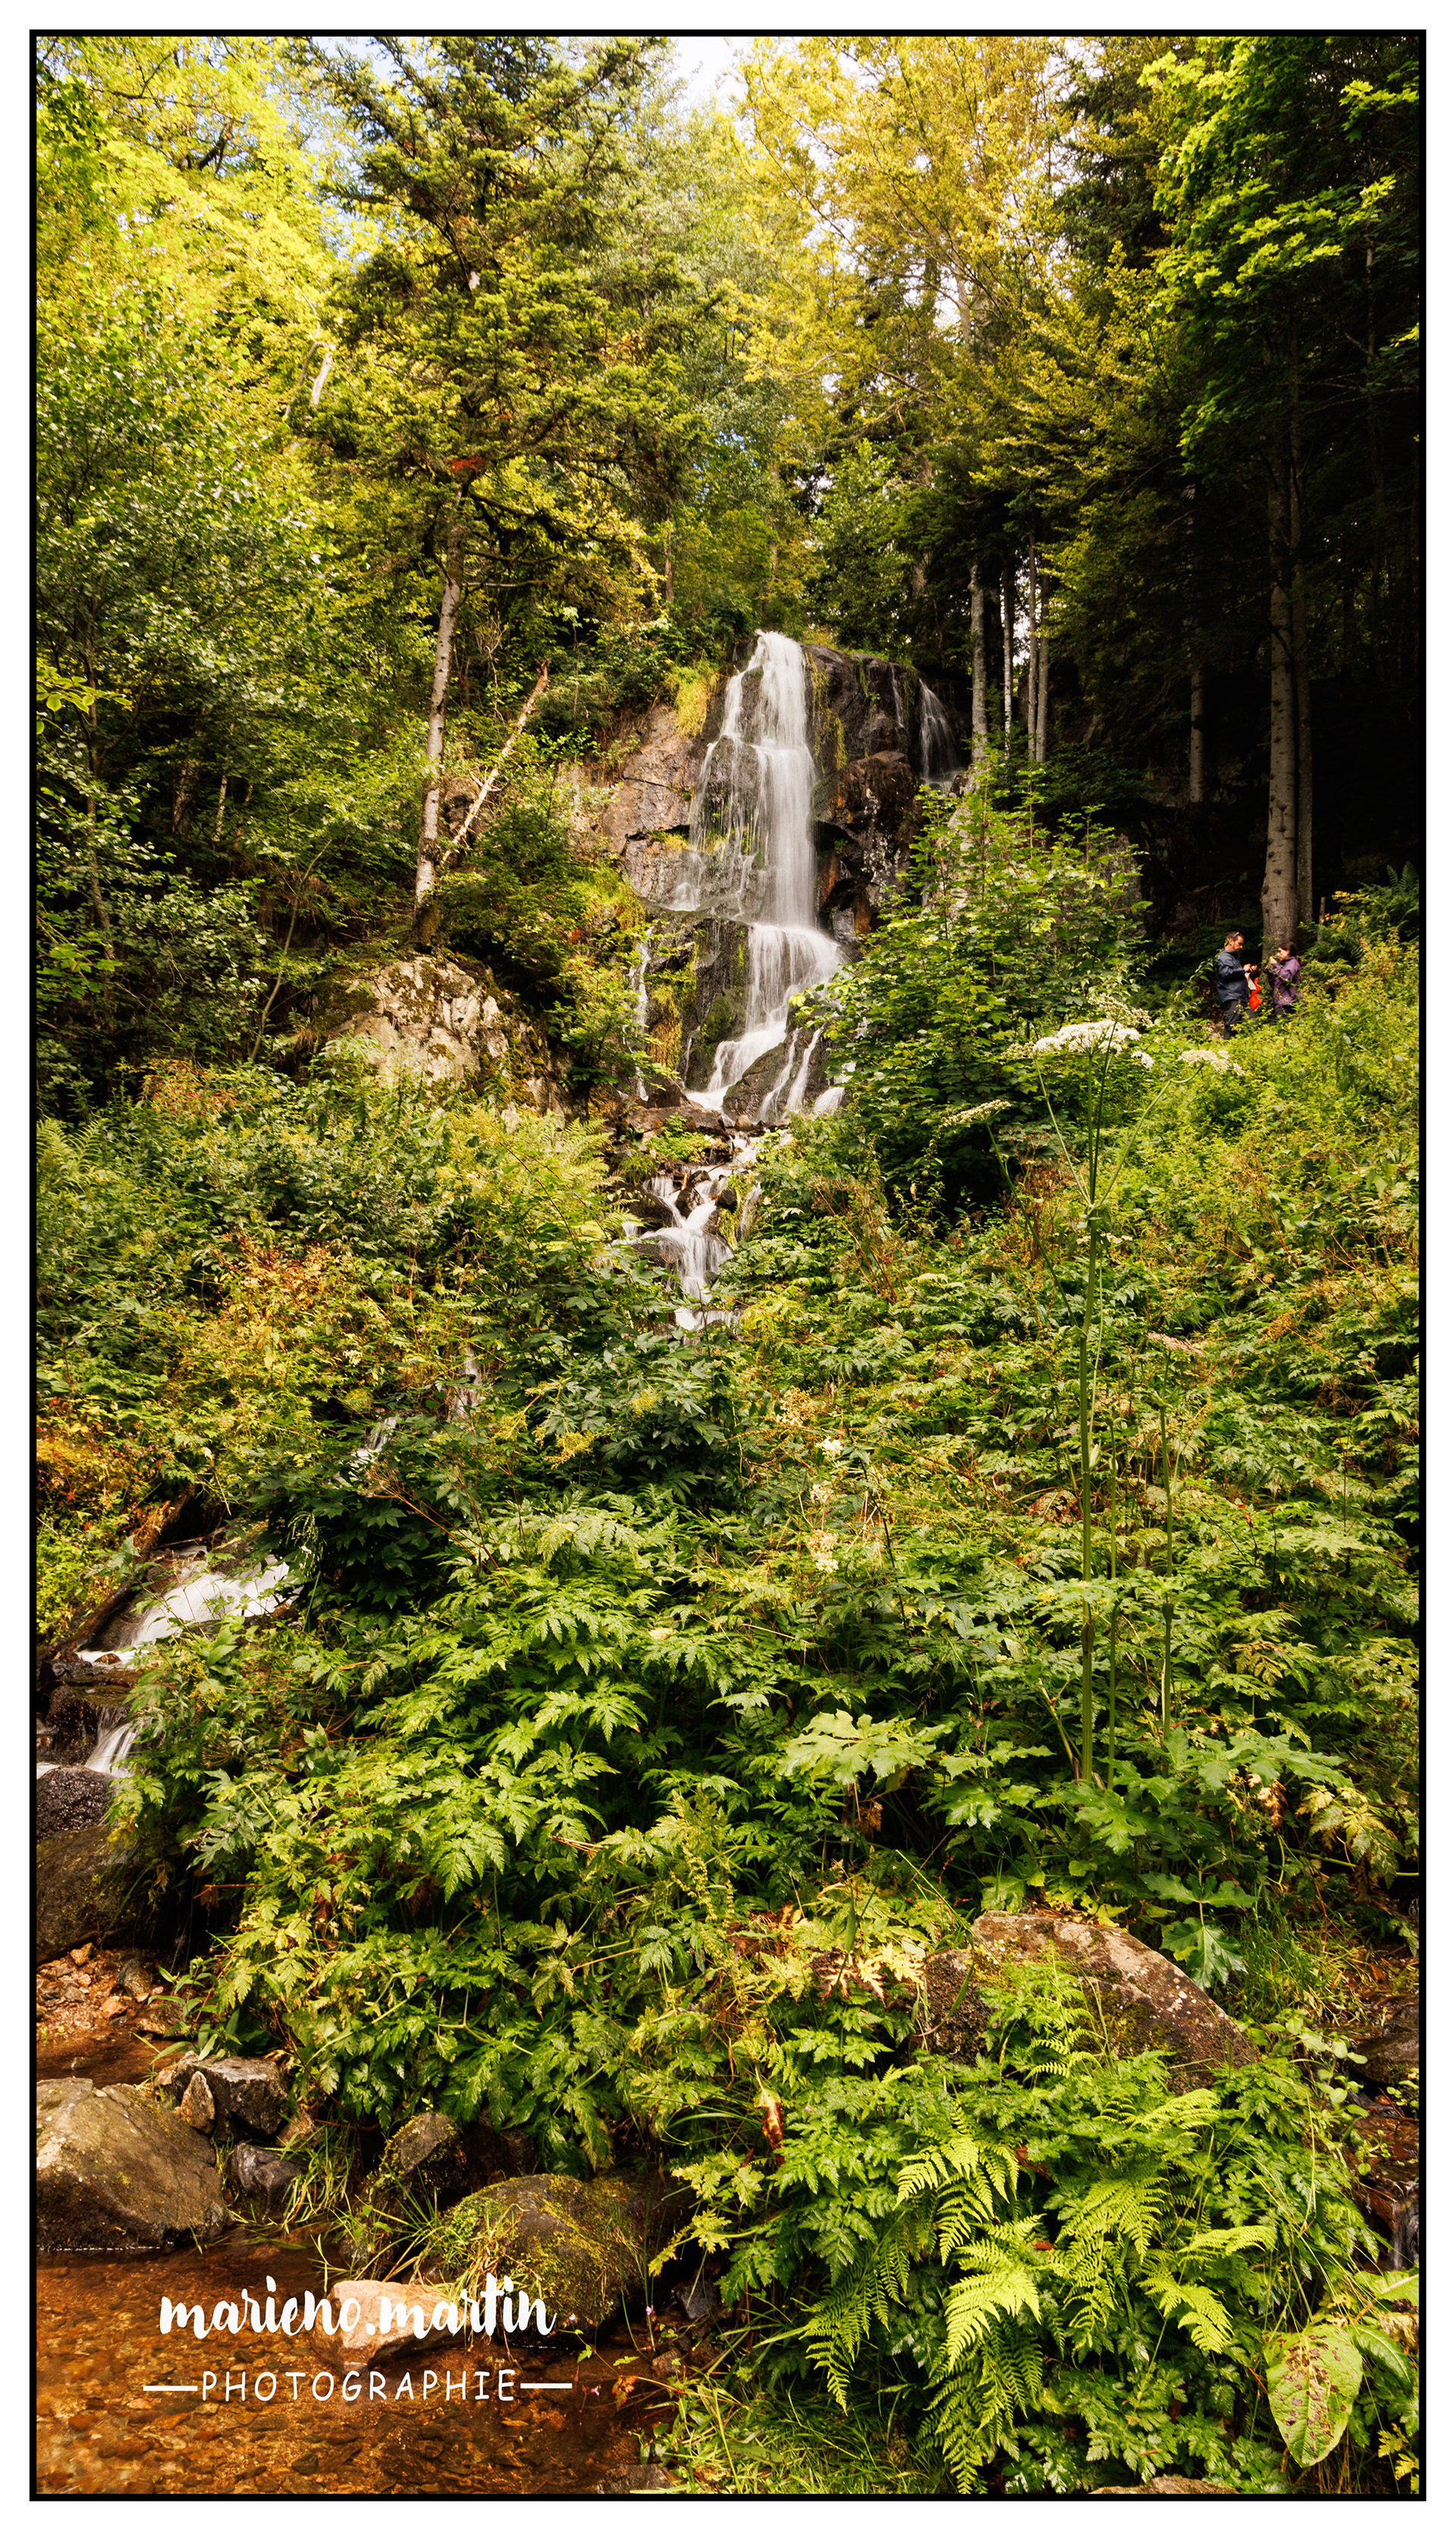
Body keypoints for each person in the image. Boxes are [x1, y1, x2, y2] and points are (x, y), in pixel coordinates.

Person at [1212, 931, 1250, 1038]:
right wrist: (1243, 970)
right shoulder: (1223, 957)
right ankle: (1226, 1048)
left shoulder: (1232, 958)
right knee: (1232, 1030)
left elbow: (1234, 975)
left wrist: (1246, 973)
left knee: (1251, 1026)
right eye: (1239, 944)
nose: (1241, 947)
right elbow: (1226, 974)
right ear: (1231, 941)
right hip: (1232, 998)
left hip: (1240, 998)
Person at [1266, 942, 1301, 1021]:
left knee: (1278, 1027)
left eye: (1280, 951)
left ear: (1288, 951)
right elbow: (1275, 986)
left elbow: (1287, 978)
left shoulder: (1293, 963)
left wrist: (1275, 965)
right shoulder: (1283, 966)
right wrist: (1270, 975)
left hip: (1286, 1003)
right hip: (1280, 1003)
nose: (1278, 955)